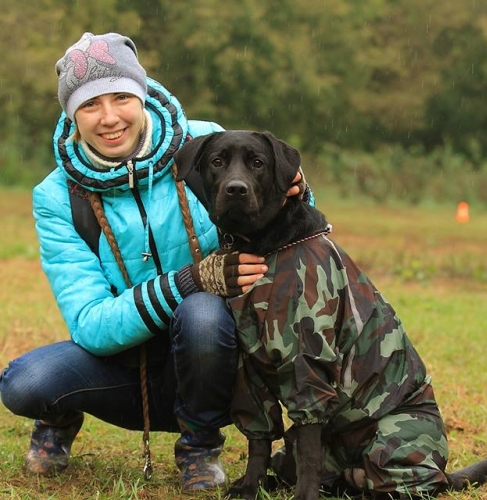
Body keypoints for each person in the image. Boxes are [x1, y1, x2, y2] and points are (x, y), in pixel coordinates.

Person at [0, 32, 307, 492]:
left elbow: (275, 213)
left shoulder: (207, 144)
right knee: (26, 382)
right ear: (70, 115)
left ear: (142, 94)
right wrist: (186, 280)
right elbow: (90, 325)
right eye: (89, 105)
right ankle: (59, 416)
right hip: (124, 370)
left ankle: (200, 446)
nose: (109, 118)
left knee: (202, 312)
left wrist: (297, 186)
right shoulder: (55, 197)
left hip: (216, 355)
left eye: (122, 97)